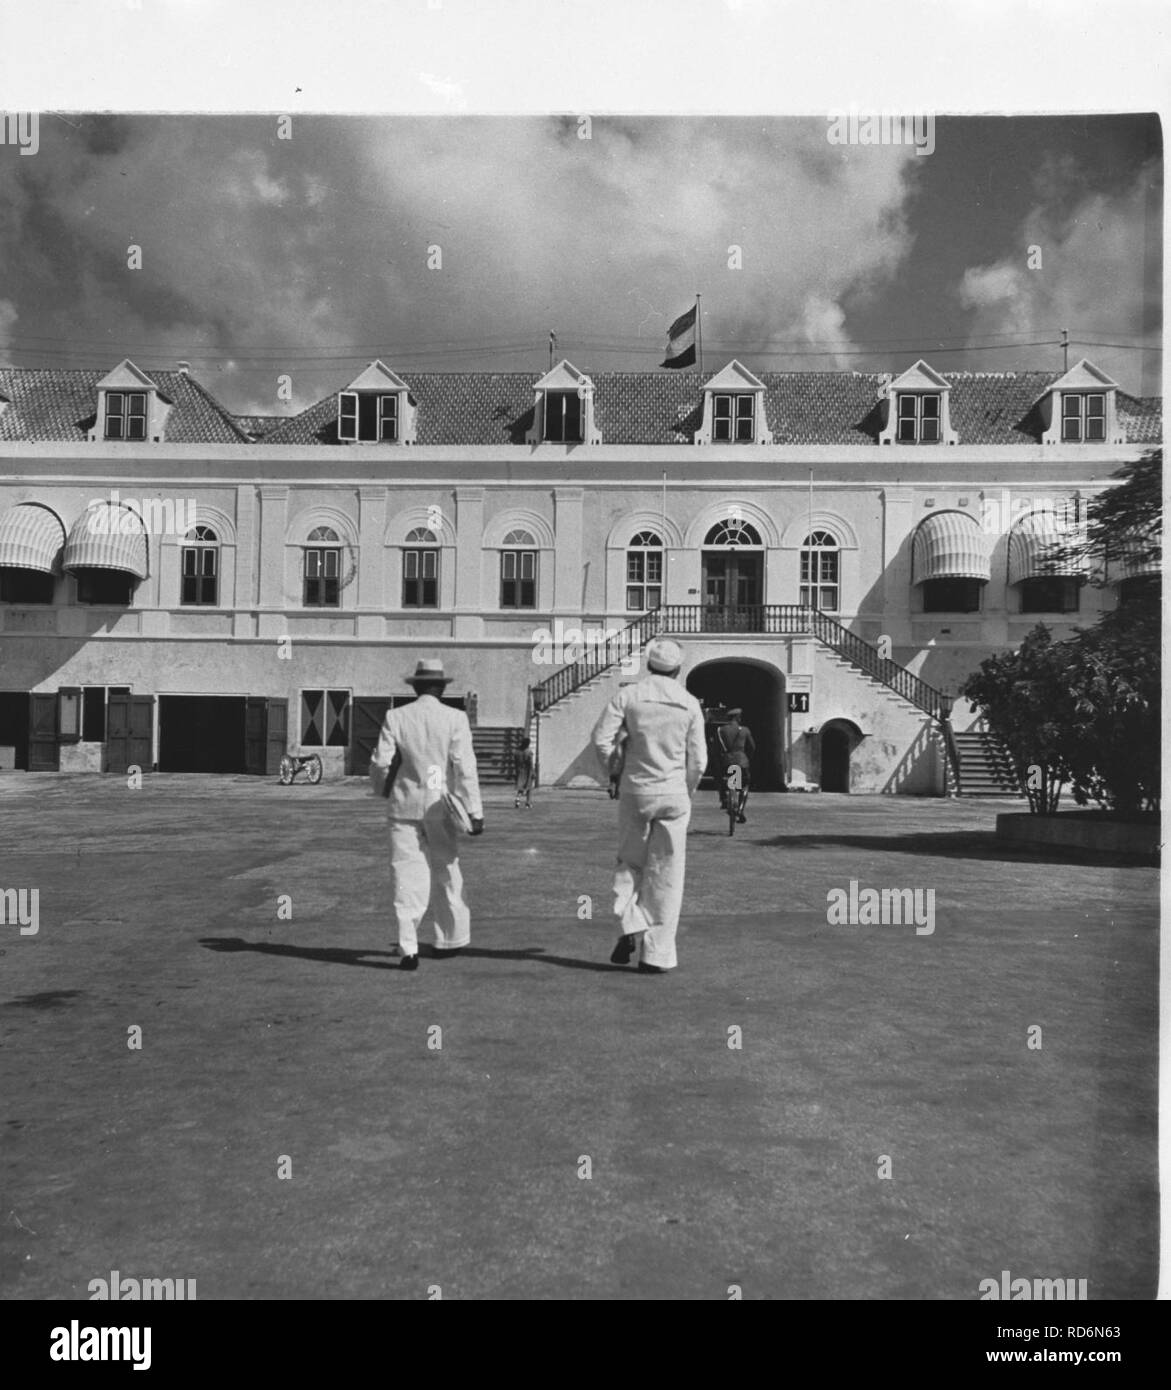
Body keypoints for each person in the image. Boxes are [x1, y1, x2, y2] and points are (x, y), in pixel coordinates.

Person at [590, 637, 707, 974]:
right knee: (667, 875)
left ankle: (629, 923)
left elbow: (601, 740)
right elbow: (698, 760)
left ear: (649, 665)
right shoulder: (688, 702)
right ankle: (656, 955)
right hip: (673, 792)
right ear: (678, 669)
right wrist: (687, 789)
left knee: (629, 863)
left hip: (636, 790)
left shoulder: (628, 695)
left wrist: (613, 772)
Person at [369, 658, 484, 972]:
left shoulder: (396, 716)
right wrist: (475, 811)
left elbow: (381, 763)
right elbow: (464, 769)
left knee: (406, 876)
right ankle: (448, 940)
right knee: (447, 869)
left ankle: (409, 947)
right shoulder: (455, 718)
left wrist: (382, 790)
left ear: (416, 686)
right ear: (442, 688)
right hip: (440, 806)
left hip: (403, 806)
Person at [717, 707, 755, 823]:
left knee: (724, 780)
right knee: (745, 785)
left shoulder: (721, 730)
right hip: (742, 762)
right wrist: (747, 758)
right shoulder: (745, 730)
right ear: (737, 717)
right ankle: (740, 809)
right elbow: (752, 747)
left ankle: (724, 798)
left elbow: (716, 748)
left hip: (727, 761)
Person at [513, 736, 535, 809]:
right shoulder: (528, 752)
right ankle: (528, 803)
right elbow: (531, 763)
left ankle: (518, 798)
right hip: (527, 771)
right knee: (529, 787)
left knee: (520, 786)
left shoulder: (517, 751)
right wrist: (533, 772)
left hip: (519, 770)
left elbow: (515, 761)